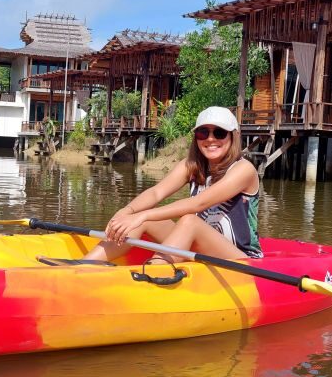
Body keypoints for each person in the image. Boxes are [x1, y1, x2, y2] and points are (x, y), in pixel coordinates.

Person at [84, 106, 262, 263]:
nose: (210, 139)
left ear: (234, 136)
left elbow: (197, 204)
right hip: (202, 249)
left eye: (219, 133)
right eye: (203, 133)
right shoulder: (191, 165)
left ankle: (153, 275)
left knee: (189, 220)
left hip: (240, 258)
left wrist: (144, 215)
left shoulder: (243, 170)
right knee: (139, 214)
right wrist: (127, 212)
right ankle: (82, 266)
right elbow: (156, 193)